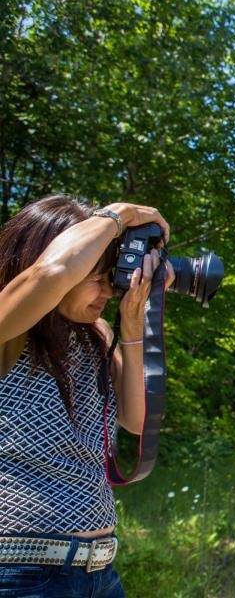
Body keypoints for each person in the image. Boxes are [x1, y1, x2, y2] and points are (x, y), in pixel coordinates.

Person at [0, 195, 172, 597]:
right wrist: (121, 214)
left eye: (110, 275)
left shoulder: (97, 334)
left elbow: (135, 419)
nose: (107, 290)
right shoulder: (9, 328)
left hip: (100, 570)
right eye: (96, 276)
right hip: (21, 572)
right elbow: (52, 273)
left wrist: (131, 322)